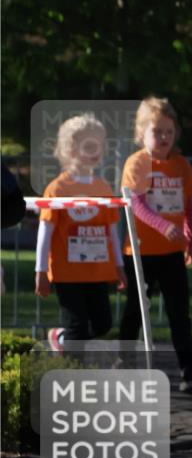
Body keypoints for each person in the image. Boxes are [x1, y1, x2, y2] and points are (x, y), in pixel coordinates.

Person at [119, 96, 192, 391]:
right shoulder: (136, 163)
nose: (163, 137)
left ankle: (190, 370)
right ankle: (124, 363)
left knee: (179, 312)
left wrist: (191, 236)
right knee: (136, 310)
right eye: (156, 131)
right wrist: (164, 227)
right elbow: (135, 204)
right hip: (141, 251)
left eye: (168, 132)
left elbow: (189, 202)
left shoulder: (182, 165)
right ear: (142, 133)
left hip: (173, 251)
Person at [34, 114, 126, 352]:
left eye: (99, 144)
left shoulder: (103, 188)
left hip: (98, 271)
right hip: (67, 274)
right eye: (89, 144)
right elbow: (45, 231)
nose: (96, 150)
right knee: (78, 330)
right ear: (70, 149)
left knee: (103, 324)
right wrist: (41, 271)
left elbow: (111, 230)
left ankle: (60, 338)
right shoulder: (57, 188)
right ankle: (72, 374)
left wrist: (119, 266)